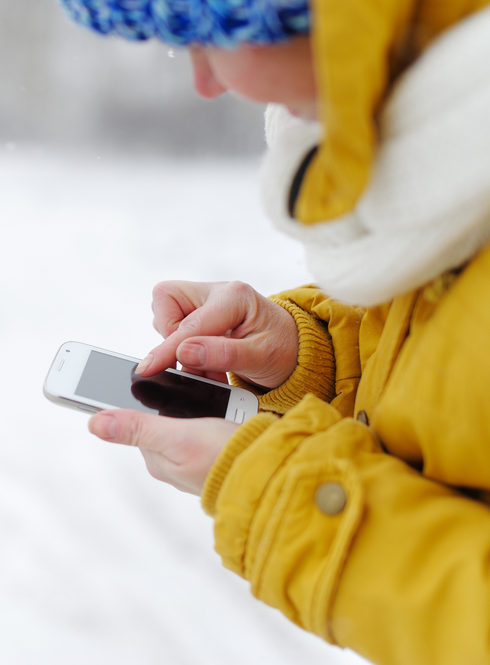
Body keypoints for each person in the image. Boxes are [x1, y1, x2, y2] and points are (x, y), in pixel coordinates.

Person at [59, 1, 490, 663]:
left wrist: (275, 493)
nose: (205, 81)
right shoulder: (446, 171)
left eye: (211, 35)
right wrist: (306, 355)